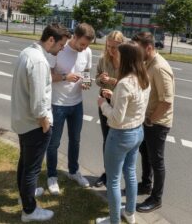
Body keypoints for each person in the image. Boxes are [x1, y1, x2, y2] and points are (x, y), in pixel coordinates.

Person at [11, 24, 71, 222]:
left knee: (25, 162)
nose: (62, 49)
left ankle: (24, 196)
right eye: (61, 45)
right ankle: (29, 210)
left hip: (23, 120)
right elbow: (38, 102)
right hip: (34, 124)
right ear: (51, 40)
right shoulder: (39, 61)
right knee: (32, 168)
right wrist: (45, 124)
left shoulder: (27, 52)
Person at [96, 41, 151, 224]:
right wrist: (114, 98)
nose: (114, 56)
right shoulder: (143, 78)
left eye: (117, 55)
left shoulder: (124, 83)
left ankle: (113, 221)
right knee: (131, 173)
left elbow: (115, 119)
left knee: (113, 180)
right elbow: (134, 106)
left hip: (121, 135)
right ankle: (130, 213)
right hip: (137, 132)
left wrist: (103, 104)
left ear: (126, 59)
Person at [46, 23, 95, 195]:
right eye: (82, 44)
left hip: (77, 104)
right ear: (74, 36)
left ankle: (74, 171)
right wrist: (66, 77)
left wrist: (87, 82)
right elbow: (48, 76)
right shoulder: (60, 49)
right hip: (57, 104)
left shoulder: (87, 52)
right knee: (54, 143)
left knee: (75, 140)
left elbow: (87, 70)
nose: (84, 48)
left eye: (87, 45)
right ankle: (51, 176)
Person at [132, 32, 175, 213]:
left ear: (148, 47)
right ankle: (145, 185)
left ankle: (156, 198)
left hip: (157, 123)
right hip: (147, 120)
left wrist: (151, 120)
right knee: (146, 154)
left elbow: (166, 101)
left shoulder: (159, 67)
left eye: (137, 49)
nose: (136, 53)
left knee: (157, 161)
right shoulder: (147, 62)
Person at [94, 30, 125, 188]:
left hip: (120, 103)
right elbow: (96, 80)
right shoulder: (102, 59)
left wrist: (112, 81)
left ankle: (117, 174)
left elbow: (131, 84)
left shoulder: (127, 61)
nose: (111, 50)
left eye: (115, 47)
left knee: (120, 140)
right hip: (105, 101)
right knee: (107, 139)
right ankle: (107, 173)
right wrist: (100, 79)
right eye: (109, 46)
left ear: (122, 45)